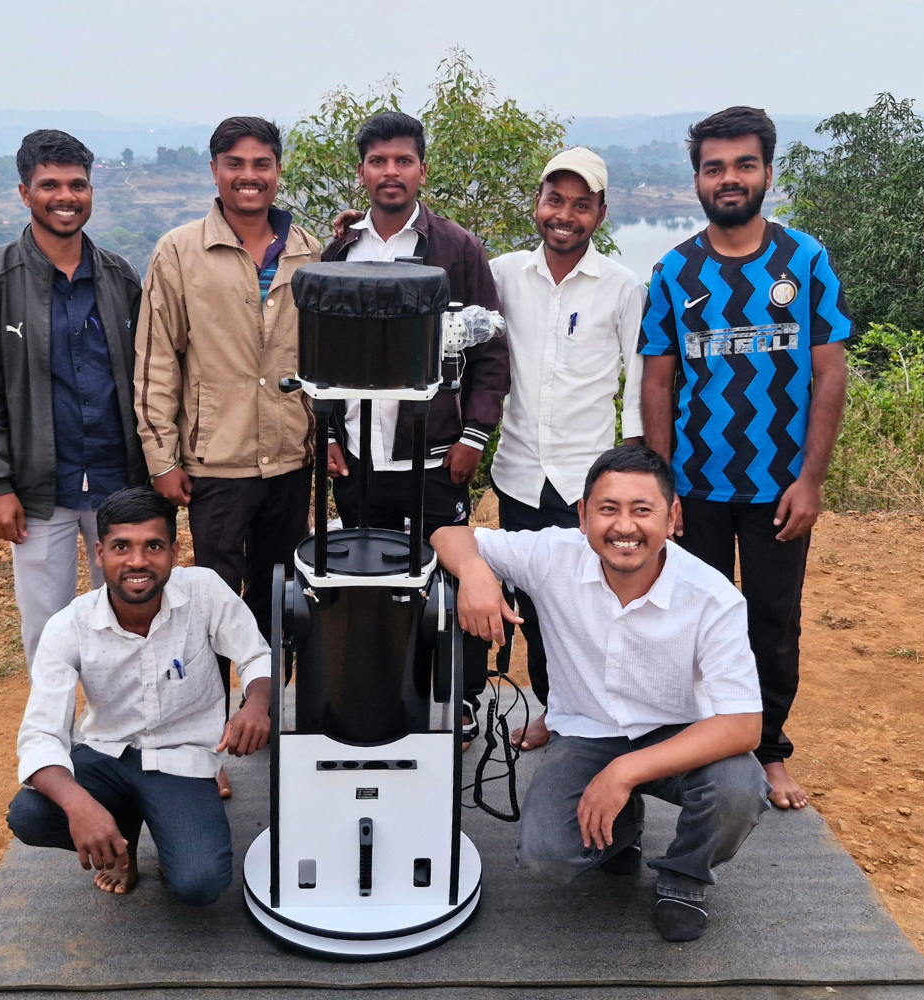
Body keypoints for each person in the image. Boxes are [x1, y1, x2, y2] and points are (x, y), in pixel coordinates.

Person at [431, 445, 771, 942]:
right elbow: (448, 534)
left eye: (642, 510)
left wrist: (623, 771)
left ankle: (685, 877)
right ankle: (622, 831)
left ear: (673, 516)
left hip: (679, 735)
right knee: (546, 858)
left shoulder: (713, 597)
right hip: (587, 733)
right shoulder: (554, 555)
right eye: (608, 509)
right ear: (583, 515)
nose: (624, 527)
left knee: (740, 788)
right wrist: (478, 577)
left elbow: (743, 726)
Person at [638, 107, 851, 811]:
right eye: (714, 167)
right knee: (688, 618)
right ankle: (689, 742)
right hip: (694, 488)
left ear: (766, 170)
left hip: (777, 489)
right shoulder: (674, 271)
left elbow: (830, 375)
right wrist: (662, 487)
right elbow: (658, 382)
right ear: (698, 177)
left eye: (743, 165)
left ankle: (766, 749)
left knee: (771, 622)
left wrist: (811, 480)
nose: (729, 179)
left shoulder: (806, 262)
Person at [323, 112, 509, 744]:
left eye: (403, 160)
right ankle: (380, 696)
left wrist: (473, 438)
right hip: (357, 456)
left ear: (422, 169)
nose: (391, 172)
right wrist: (325, 435)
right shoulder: (342, 251)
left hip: (434, 456)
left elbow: (490, 353)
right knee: (371, 582)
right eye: (378, 161)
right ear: (362, 172)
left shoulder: (457, 250)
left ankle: (457, 698)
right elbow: (318, 355)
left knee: (450, 578)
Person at [6, 487, 273, 903]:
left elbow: (257, 656)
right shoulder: (68, 626)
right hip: (106, 758)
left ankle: (169, 830)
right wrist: (80, 806)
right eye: (121, 547)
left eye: (153, 546)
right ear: (99, 553)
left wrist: (255, 703)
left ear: (174, 550)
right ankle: (120, 838)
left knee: (199, 884)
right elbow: (40, 735)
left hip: (181, 759)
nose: (137, 561)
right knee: (30, 815)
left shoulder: (204, 590)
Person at [0, 129, 147, 670]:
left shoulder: (118, 276)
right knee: (47, 630)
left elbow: (148, 378)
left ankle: (124, 739)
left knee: (134, 620)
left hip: (119, 481)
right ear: (24, 192)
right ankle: (52, 746)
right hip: (41, 490)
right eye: (50, 185)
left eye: (77, 184)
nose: (66, 196)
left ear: (91, 191)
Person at [134, 115, 323, 645]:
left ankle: (264, 715)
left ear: (278, 172)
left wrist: (323, 437)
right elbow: (155, 361)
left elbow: (321, 359)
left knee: (278, 592)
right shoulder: (179, 251)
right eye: (235, 164)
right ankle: (210, 714)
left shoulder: (306, 251)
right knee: (213, 595)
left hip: (290, 457)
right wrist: (163, 459)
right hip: (215, 459)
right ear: (214, 171)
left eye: (261, 164)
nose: (249, 175)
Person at [487, 147, 645, 752]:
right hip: (520, 472)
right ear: (538, 203)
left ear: (600, 213)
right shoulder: (502, 275)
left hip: (591, 481)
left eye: (582, 205)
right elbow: (433, 277)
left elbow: (639, 376)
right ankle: (557, 709)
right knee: (533, 603)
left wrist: (634, 476)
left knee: (595, 606)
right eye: (556, 201)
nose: (565, 216)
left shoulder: (622, 287)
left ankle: (605, 717)